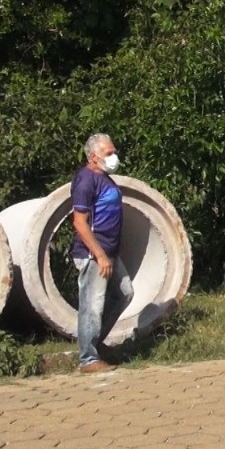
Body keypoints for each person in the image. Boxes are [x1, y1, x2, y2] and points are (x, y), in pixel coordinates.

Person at [71, 133, 134, 372]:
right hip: (94, 254)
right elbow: (79, 222)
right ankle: (88, 359)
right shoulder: (86, 180)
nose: (114, 156)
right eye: (109, 153)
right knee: (92, 304)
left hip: (109, 251)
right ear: (93, 157)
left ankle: (94, 344)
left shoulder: (105, 178)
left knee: (125, 293)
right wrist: (99, 254)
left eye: (114, 152)